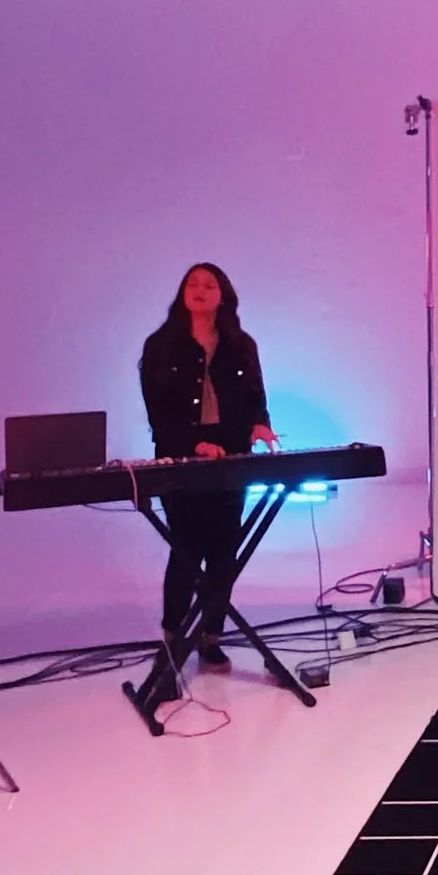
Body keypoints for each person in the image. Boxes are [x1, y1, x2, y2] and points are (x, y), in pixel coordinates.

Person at [138, 262, 278, 681]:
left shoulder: (241, 345)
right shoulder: (161, 345)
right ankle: (171, 636)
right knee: (185, 549)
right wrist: (192, 444)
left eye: (209, 284)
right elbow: (157, 412)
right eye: (192, 283)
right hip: (181, 453)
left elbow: (256, 394)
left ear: (223, 295)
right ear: (182, 293)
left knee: (223, 550)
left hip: (230, 454)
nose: (199, 290)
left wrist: (261, 424)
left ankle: (210, 638)